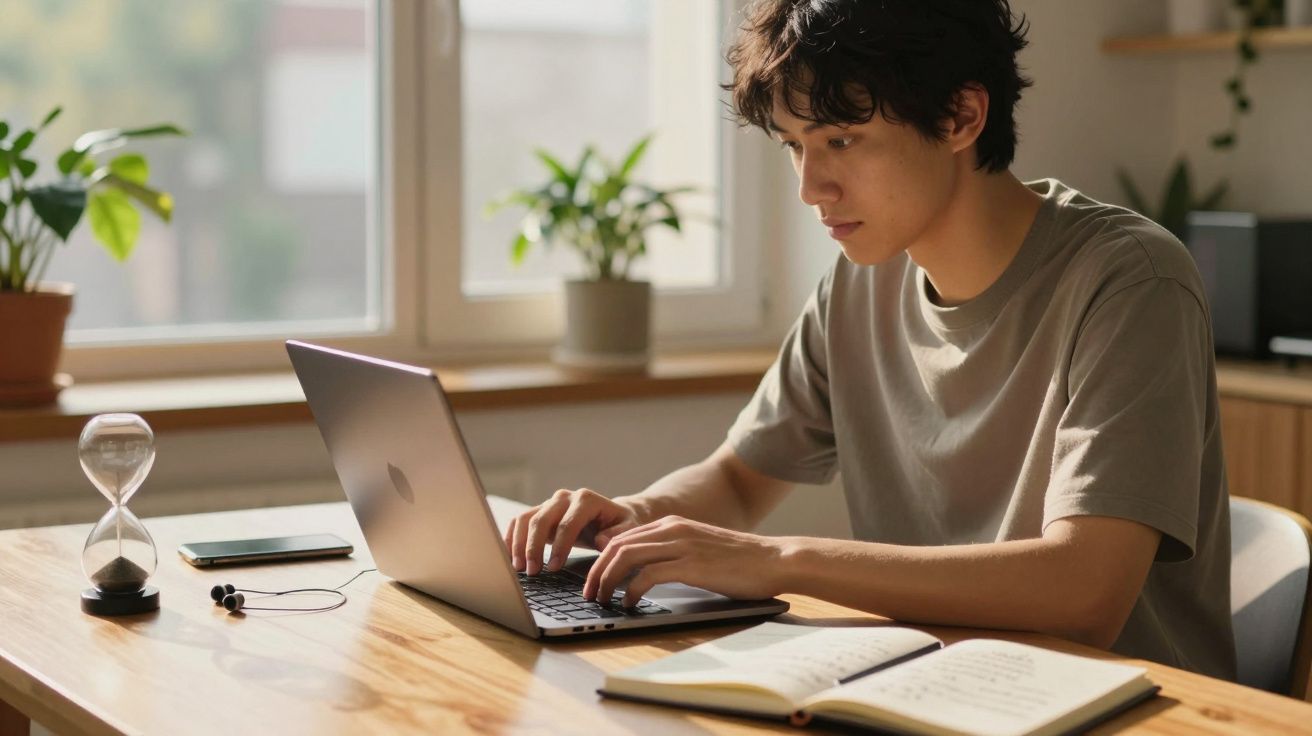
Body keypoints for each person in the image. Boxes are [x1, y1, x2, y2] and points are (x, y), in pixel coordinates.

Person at [504, 0, 1236, 680]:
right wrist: (636, 516)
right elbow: (735, 480)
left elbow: (1085, 591)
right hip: (932, 681)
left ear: (961, 116)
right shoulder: (860, 282)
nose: (810, 186)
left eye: (842, 140)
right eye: (794, 146)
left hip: (1121, 704)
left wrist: (779, 560)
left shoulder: (1131, 281)